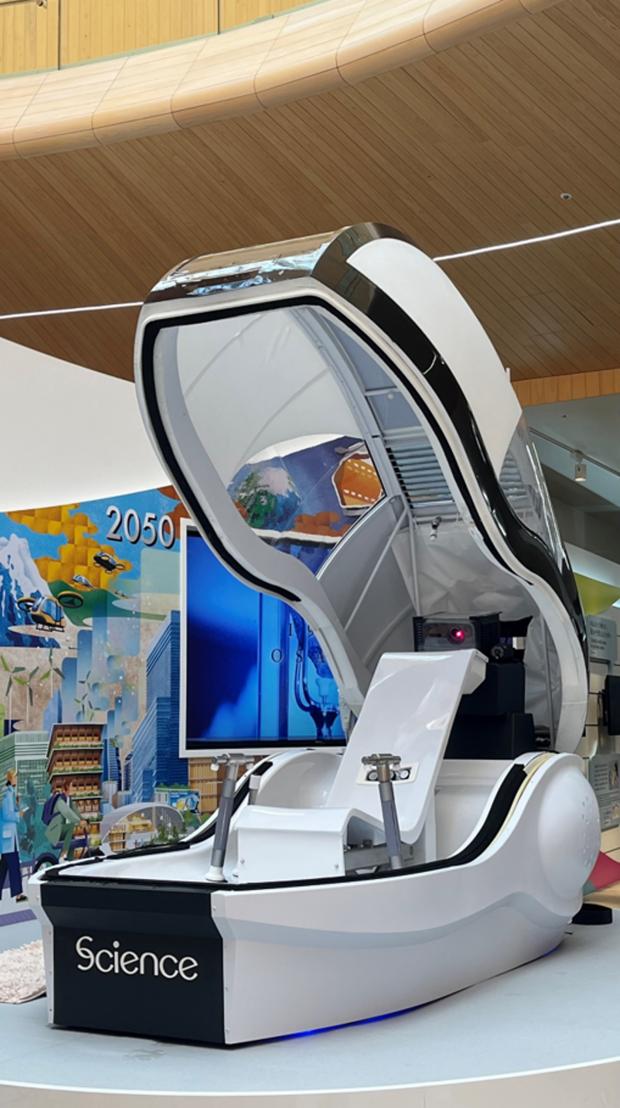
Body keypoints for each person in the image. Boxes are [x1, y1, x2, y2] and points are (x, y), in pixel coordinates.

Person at [0, 769, 27, 902]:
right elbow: (7, 815)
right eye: (15, 777)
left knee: (4, 868)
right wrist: (18, 815)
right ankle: (18, 894)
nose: (17, 779)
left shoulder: (11, 793)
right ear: (10, 779)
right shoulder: (7, 795)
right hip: (8, 838)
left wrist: (17, 806)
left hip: (10, 838)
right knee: (14, 866)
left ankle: (17, 893)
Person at [44, 780, 81, 860]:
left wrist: (84, 820)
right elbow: (67, 812)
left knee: (72, 839)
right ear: (67, 787)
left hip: (60, 830)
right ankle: (63, 855)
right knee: (70, 826)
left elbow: (76, 812)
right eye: (72, 786)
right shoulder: (60, 800)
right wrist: (79, 821)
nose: (74, 788)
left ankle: (70, 860)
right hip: (54, 830)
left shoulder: (69, 800)